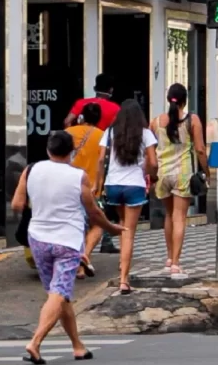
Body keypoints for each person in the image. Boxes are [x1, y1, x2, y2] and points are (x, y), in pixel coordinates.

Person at [12, 131, 125, 365]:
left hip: (38, 240)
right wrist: (111, 228)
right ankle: (35, 342)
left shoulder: (31, 170)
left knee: (58, 295)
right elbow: (93, 211)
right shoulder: (78, 177)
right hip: (67, 242)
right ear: (71, 152)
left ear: (48, 150)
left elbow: (16, 204)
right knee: (59, 293)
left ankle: (78, 346)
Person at [96, 99, 158, 295]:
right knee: (129, 231)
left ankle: (122, 266)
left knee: (122, 226)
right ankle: (124, 279)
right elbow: (153, 163)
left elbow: (100, 160)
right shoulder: (146, 134)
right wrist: (149, 174)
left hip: (113, 185)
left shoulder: (110, 133)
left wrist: (98, 184)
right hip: (134, 186)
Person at [150, 84, 209, 277]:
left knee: (168, 215)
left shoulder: (156, 122)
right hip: (182, 174)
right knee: (179, 218)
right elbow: (200, 149)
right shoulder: (191, 120)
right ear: (184, 100)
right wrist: (207, 172)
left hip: (162, 174)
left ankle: (168, 258)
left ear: (169, 99)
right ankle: (176, 263)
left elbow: (149, 148)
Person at [64, 73, 121, 255]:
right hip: (100, 155)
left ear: (95, 86)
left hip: (75, 163)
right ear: (111, 90)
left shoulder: (81, 104)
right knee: (99, 200)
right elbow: (117, 132)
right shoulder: (114, 108)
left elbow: (67, 121)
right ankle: (104, 239)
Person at [64, 103, 105, 279]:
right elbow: (102, 162)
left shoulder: (67, 133)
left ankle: (76, 264)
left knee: (74, 227)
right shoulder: (101, 135)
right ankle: (84, 256)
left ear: (82, 116)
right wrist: (100, 185)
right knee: (97, 225)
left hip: (66, 187)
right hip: (90, 188)